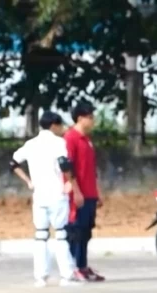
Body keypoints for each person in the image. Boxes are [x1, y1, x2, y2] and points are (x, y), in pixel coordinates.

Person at [9, 111, 83, 287]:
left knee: (41, 235)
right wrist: (71, 182)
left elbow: (13, 163)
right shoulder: (59, 143)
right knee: (61, 235)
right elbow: (64, 164)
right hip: (57, 194)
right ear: (54, 125)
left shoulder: (31, 144)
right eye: (60, 126)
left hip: (39, 196)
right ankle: (66, 275)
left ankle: (40, 276)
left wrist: (28, 181)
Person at [64, 101, 104, 282]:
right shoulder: (70, 138)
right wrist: (76, 191)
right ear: (80, 118)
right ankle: (73, 266)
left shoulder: (87, 140)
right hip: (78, 194)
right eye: (90, 117)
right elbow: (68, 167)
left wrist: (98, 192)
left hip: (90, 193)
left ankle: (83, 265)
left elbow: (92, 169)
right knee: (76, 231)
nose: (92, 120)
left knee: (86, 231)